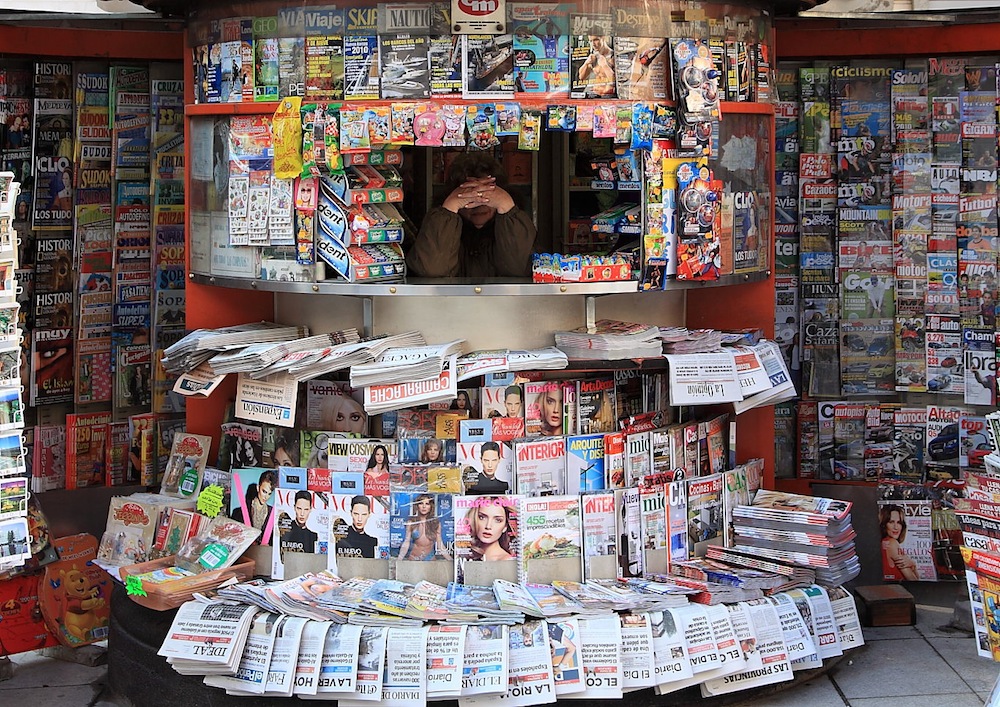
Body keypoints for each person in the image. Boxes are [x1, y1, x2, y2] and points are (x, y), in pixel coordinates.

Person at [406, 152, 536, 278]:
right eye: (470, 196)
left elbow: (522, 268)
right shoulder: (439, 224)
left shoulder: (515, 224)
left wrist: (507, 207)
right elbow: (432, 268)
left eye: (487, 195)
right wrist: (449, 209)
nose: (479, 204)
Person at [397, 493, 450, 561]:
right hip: (414, 557)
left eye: (427, 504)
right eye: (421, 503)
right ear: (417, 506)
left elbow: (440, 544)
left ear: (431, 507)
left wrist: (450, 560)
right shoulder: (411, 522)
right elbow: (406, 542)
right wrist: (399, 559)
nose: (424, 506)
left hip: (430, 557)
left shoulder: (435, 523)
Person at [232, 469, 277, 540]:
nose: (266, 497)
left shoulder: (272, 513)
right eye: (264, 491)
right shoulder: (239, 512)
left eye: (269, 494)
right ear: (258, 488)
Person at [467, 497, 514, 562]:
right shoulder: (465, 555)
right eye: (482, 517)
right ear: (474, 519)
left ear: (505, 526)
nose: (488, 526)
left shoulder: (506, 560)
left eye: (498, 520)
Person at [880, 504, 918, 581]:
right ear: (884, 524)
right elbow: (914, 581)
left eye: (899, 522)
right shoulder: (892, 543)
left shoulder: (884, 543)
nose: (896, 527)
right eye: (891, 522)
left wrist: (913, 565)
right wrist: (913, 565)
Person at [576, 26, 615, 98]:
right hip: (592, 94)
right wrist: (586, 63)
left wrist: (605, 66)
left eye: (596, 40)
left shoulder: (613, 56)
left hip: (606, 97)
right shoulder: (593, 56)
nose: (593, 44)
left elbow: (614, 82)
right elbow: (581, 77)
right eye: (590, 41)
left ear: (603, 37)